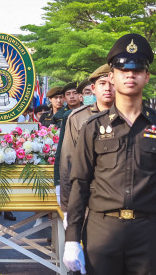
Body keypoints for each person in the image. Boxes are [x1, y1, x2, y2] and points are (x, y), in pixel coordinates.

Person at [63, 34, 156, 275]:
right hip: (102, 231)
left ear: (146, 76)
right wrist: (71, 238)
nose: (130, 75)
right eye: (123, 70)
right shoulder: (93, 127)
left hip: (147, 231)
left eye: (137, 69)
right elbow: (79, 183)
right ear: (111, 77)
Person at [56, 64, 115, 229]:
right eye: (102, 84)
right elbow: (67, 163)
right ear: (94, 89)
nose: (108, 88)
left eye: (112, 83)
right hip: (90, 199)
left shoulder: (130, 116)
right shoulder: (77, 118)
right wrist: (67, 209)